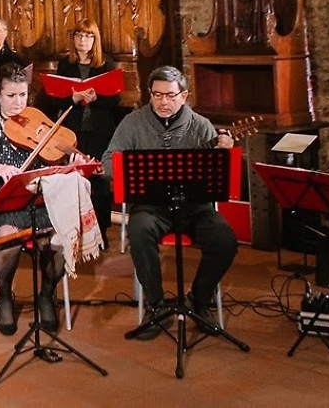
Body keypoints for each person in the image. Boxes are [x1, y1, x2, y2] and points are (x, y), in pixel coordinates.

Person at [101, 65, 237, 339]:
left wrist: (224, 154)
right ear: (150, 94)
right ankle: (156, 305)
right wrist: (129, 170)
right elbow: (107, 160)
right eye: (158, 95)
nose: (164, 102)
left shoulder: (200, 125)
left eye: (171, 95)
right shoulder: (133, 123)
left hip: (194, 206)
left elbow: (218, 176)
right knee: (139, 232)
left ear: (184, 95)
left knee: (225, 240)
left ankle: (199, 300)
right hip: (151, 206)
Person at [0, 63, 66, 335]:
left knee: (61, 238)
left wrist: (69, 159)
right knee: (7, 236)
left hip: (36, 199)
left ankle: (46, 294)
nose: (18, 103)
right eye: (11, 96)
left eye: (23, 95)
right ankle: (5, 294)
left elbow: (56, 160)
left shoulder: (37, 123)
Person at [44, 19, 119, 247]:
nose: (83, 40)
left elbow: (115, 98)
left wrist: (97, 99)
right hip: (74, 130)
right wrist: (73, 98)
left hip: (99, 130)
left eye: (88, 36)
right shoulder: (66, 65)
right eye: (79, 35)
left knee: (99, 181)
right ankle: (75, 230)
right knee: (73, 179)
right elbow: (55, 96)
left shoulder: (106, 63)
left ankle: (101, 230)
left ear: (95, 40)